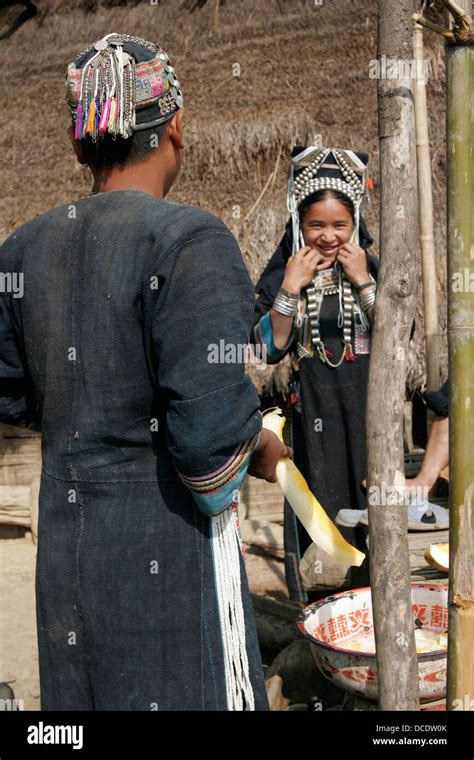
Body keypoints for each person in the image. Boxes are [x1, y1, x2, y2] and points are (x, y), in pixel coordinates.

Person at [0, 33, 291, 711]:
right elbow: (209, 445)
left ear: (79, 146)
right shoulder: (190, 240)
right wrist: (259, 443)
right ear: (178, 128)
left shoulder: (24, 248)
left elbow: (14, 390)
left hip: (67, 556)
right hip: (165, 553)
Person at [251, 147, 377, 602]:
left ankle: (374, 610)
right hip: (312, 421)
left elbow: (396, 340)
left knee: (373, 518)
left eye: (339, 225)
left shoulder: (370, 267)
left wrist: (362, 280)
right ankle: (320, 619)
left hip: (368, 421)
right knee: (316, 521)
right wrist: (290, 286)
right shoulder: (285, 274)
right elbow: (267, 347)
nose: (328, 236)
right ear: (298, 224)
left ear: (355, 223)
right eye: (315, 226)